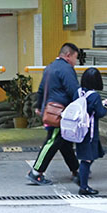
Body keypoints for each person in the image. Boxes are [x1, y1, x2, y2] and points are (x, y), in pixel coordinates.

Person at [27, 42, 81, 186]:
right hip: (60, 113)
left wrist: (39, 106)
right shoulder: (66, 69)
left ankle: (76, 169)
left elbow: (41, 89)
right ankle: (36, 172)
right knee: (53, 141)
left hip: (49, 110)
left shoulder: (50, 67)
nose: (75, 62)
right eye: (75, 58)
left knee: (64, 143)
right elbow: (74, 90)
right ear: (68, 55)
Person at [75, 67, 107, 195]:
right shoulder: (94, 96)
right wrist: (106, 107)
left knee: (91, 155)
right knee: (87, 159)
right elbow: (100, 113)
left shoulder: (78, 92)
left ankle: (82, 177)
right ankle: (83, 186)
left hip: (79, 130)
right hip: (90, 132)